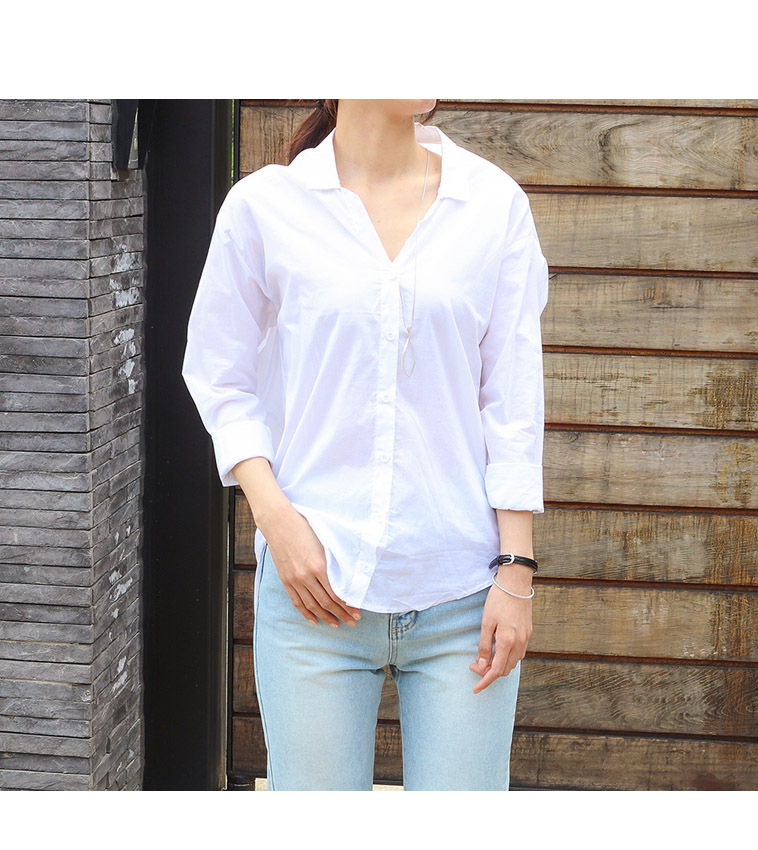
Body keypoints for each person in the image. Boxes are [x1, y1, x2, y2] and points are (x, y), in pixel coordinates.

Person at [181, 99, 549, 791]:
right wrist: (276, 519)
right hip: (313, 588)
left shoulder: (492, 206)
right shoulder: (265, 207)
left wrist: (517, 571)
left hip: (464, 595)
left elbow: (513, 402)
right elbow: (219, 374)